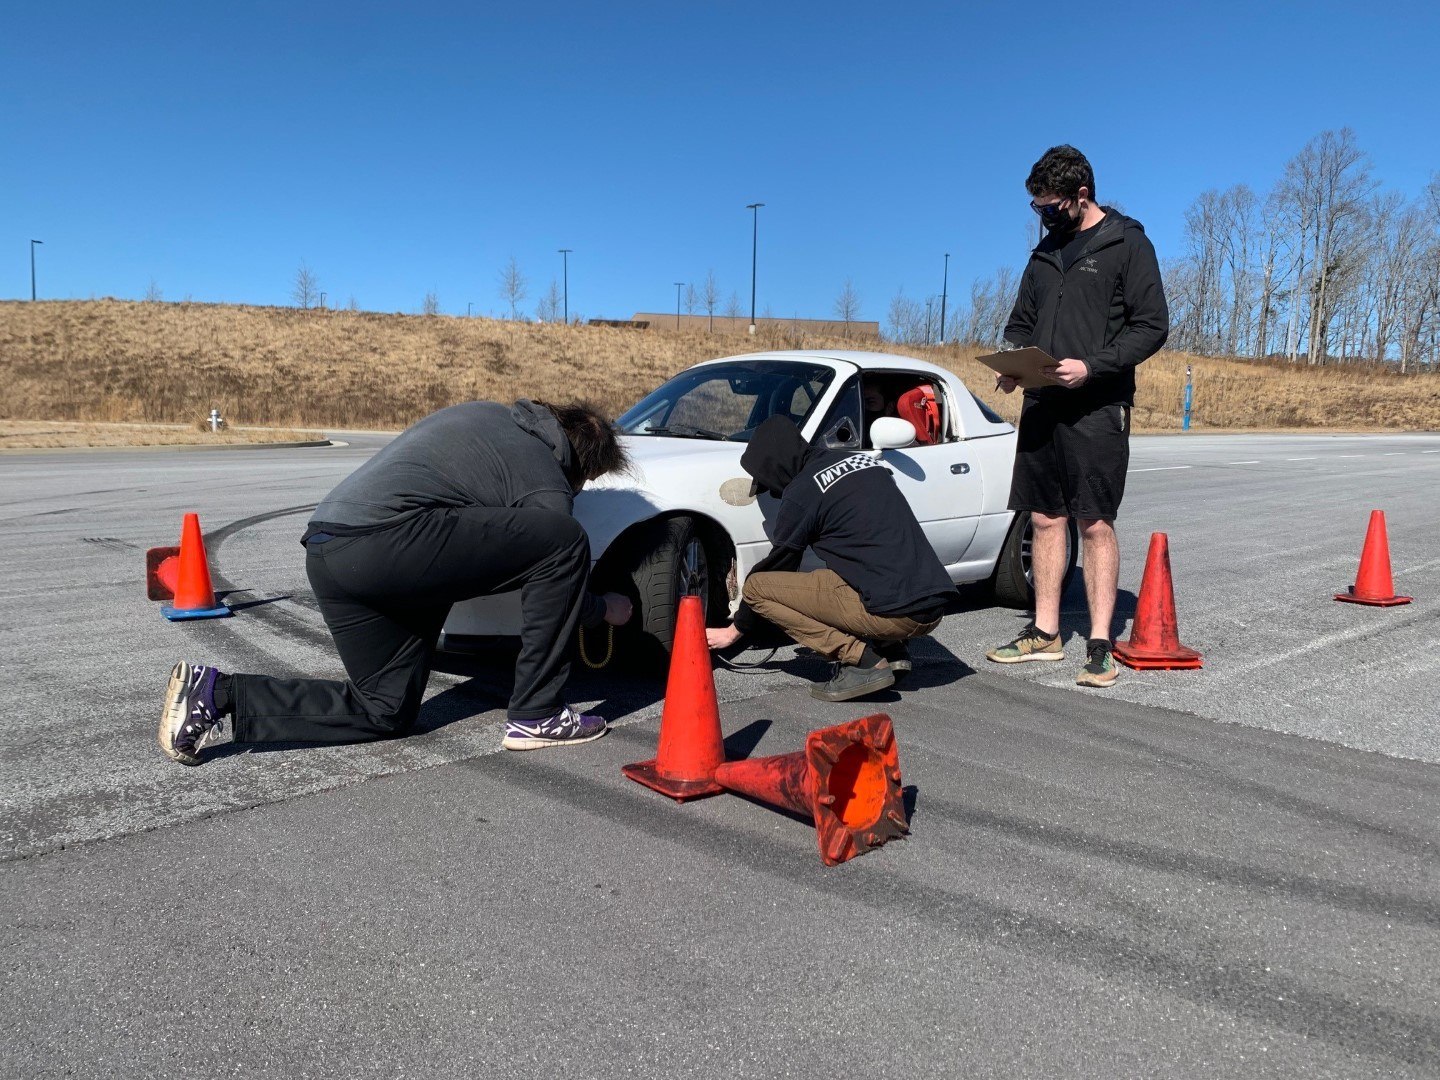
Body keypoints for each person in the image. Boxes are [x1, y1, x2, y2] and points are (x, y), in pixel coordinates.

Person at [158, 398, 634, 765]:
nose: (581, 490)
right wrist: (603, 608)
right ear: (580, 462)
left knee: (385, 710)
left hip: (330, 550)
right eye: (587, 481)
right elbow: (554, 559)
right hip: (386, 544)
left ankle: (214, 694)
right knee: (565, 538)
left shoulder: (487, 417)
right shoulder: (543, 472)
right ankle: (538, 714)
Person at [985, 145, 1169, 687]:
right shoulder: (1043, 255)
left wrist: (1092, 367)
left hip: (1096, 406)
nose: (1041, 216)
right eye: (1035, 208)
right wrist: (1015, 363)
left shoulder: (1126, 244)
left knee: (1093, 521)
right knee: (1044, 517)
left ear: (1081, 196)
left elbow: (1152, 326)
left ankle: (1098, 642)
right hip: (1042, 404)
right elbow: (1021, 322)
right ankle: (1044, 634)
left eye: (1049, 207)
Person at [704, 415, 955, 701]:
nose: (774, 493)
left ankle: (864, 663)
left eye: (770, 484)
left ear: (777, 467)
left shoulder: (803, 491)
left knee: (757, 588)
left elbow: (780, 565)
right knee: (843, 570)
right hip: (932, 603)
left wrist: (736, 629)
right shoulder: (860, 462)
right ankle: (891, 649)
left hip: (897, 615)